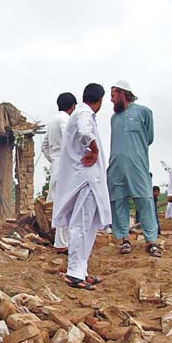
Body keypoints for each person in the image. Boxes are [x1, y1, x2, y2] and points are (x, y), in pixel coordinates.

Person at [52, 83, 111, 290]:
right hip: (86, 180)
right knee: (81, 225)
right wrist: (93, 149)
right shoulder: (83, 114)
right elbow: (86, 132)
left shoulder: (80, 114)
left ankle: (81, 270)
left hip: (89, 180)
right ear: (99, 99)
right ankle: (74, 273)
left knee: (89, 227)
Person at [107, 80, 161, 257]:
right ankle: (124, 240)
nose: (111, 100)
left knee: (144, 200)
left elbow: (149, 137)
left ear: (123, 94)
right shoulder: (114, 118)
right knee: (118, 201)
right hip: (117, 166)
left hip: (138, 165)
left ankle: (151, 241)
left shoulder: (144, 112)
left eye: (113, 95)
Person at [41, 92, 77, 254]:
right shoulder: (65, 121)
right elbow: (70, 141)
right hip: (66, 167)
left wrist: (54, 159)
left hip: (56, 165)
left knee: (55, 203)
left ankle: (55, 238)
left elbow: (44, 146)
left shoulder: (52, 122)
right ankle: (62, 243)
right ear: (73, 106)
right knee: (65, 205)